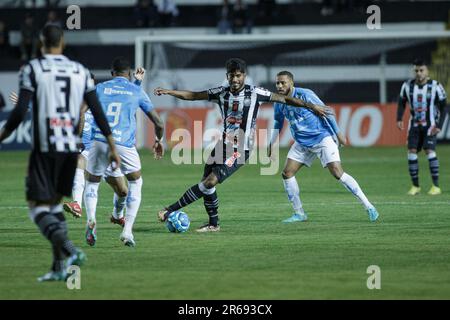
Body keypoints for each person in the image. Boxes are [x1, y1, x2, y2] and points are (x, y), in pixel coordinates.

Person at [0, 24, 120, 282]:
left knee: (37, 207)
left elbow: (20, 112)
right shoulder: (81, 71)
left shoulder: (32, 68)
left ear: (41, 44)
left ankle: (70, 250)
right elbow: (96, 111)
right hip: (71, 149)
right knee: (54, 205)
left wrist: (2, 136)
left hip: (45, 147)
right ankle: (57, 267)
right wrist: (111, 144)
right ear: (62, 43)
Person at [154, 58, 329, 232]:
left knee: (209, 182)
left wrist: (311, 106)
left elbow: (284, 99)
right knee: (206, 184)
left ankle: (170, 209)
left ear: (244, 76)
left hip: (242, 149)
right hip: (223, 145)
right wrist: (170, 91)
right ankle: (213, 224)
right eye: (231, 76)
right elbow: (193, 95)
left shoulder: (256, 93)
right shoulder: (221, 93)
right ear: (227, 76)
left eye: (238, 75)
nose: (235, 79)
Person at [268, 71, 378, 223]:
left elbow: (326, 112)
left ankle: (369, 206)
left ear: (291, 83)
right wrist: (272, 142)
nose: (279, 86)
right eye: (277, 83)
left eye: (283, 83)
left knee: (337, 173)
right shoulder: (278, 101)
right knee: (287, 173)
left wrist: (338, 134)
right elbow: (278, 122)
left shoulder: (306, 95)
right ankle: (299, 214)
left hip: (321, 138)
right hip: (302, 142)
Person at [84, 57, 164, 247]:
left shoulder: (100, 88)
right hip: (124, 145)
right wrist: (158, 140)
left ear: (111, 73)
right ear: (128, 74)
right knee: (135, 181)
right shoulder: (137, 90)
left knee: (93, 182)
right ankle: (127, 231)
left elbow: (82, 111)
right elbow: (158, 122)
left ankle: (91, 220)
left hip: (99, 141)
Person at [63, 68, 147, 228]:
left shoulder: (99, 97)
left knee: (123, 191)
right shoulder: (71, 102)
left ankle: (117, 216)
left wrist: (136, 83)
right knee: (79, 160)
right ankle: (76, 203)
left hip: (106, 149)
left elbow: (125, 101)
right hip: (89, 150)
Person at [397, 59, 447, 196]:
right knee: (411, 152)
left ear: (427, 71)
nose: (419, 73)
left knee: (429, 151)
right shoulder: (407, 86)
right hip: (414, 126)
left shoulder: (436, 86)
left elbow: (444, 106)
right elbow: (401, 102)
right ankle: (415, 186)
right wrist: (399, 118)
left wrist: (439, 125)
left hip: (430, 126)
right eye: (416, 71)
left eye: (421, 70)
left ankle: (436, 186)